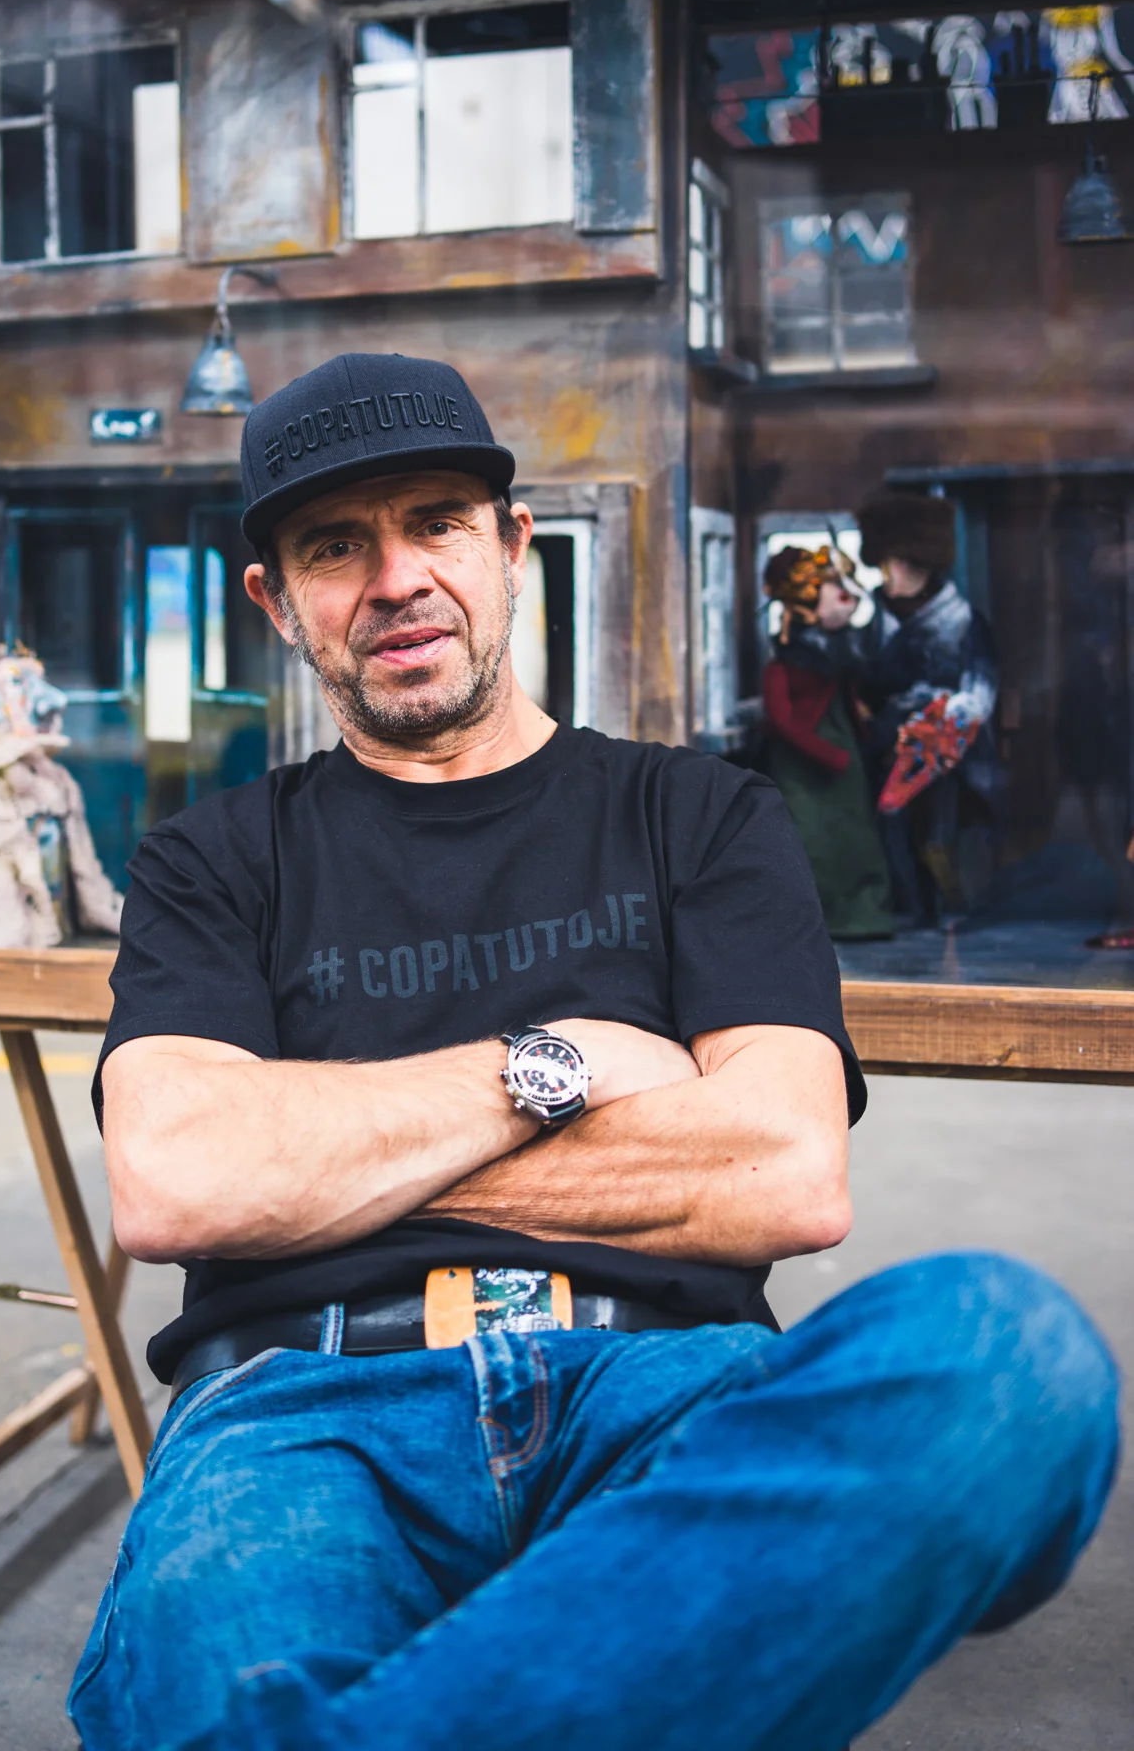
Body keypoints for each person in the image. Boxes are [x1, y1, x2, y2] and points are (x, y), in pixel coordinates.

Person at [71, 355, 1117, 1751]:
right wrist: (556, 1060)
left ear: (512, 547)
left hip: (658, 1381)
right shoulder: (210, 860)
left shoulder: (702, 816)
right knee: (225, 1679)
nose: (395, 579)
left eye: (436, 522)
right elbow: (179, 1184)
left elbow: (785, 1174)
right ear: (275, 599)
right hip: (303, 1407)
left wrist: (319, 1167)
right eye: (334, 546)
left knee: (1007, 1355)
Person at [856, 490, 1002, 926]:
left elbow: (979, 693)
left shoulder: (964, 623)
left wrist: (936, 721)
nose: (887, 573)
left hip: (946, 755)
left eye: (892, 563)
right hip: (883, 751)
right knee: (889, 825)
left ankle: (951, 906)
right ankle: (909, 905)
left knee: (941, 830)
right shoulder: (871, 618)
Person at [761, 543, 894, 940]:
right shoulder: (785, 663)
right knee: (812, 837)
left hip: (844, 752)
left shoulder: (842, 652)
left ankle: (864, 912)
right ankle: (819, 917)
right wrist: (830, 754)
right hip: (806, 762)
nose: (846, 599)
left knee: (855, 833)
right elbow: (782, 720)